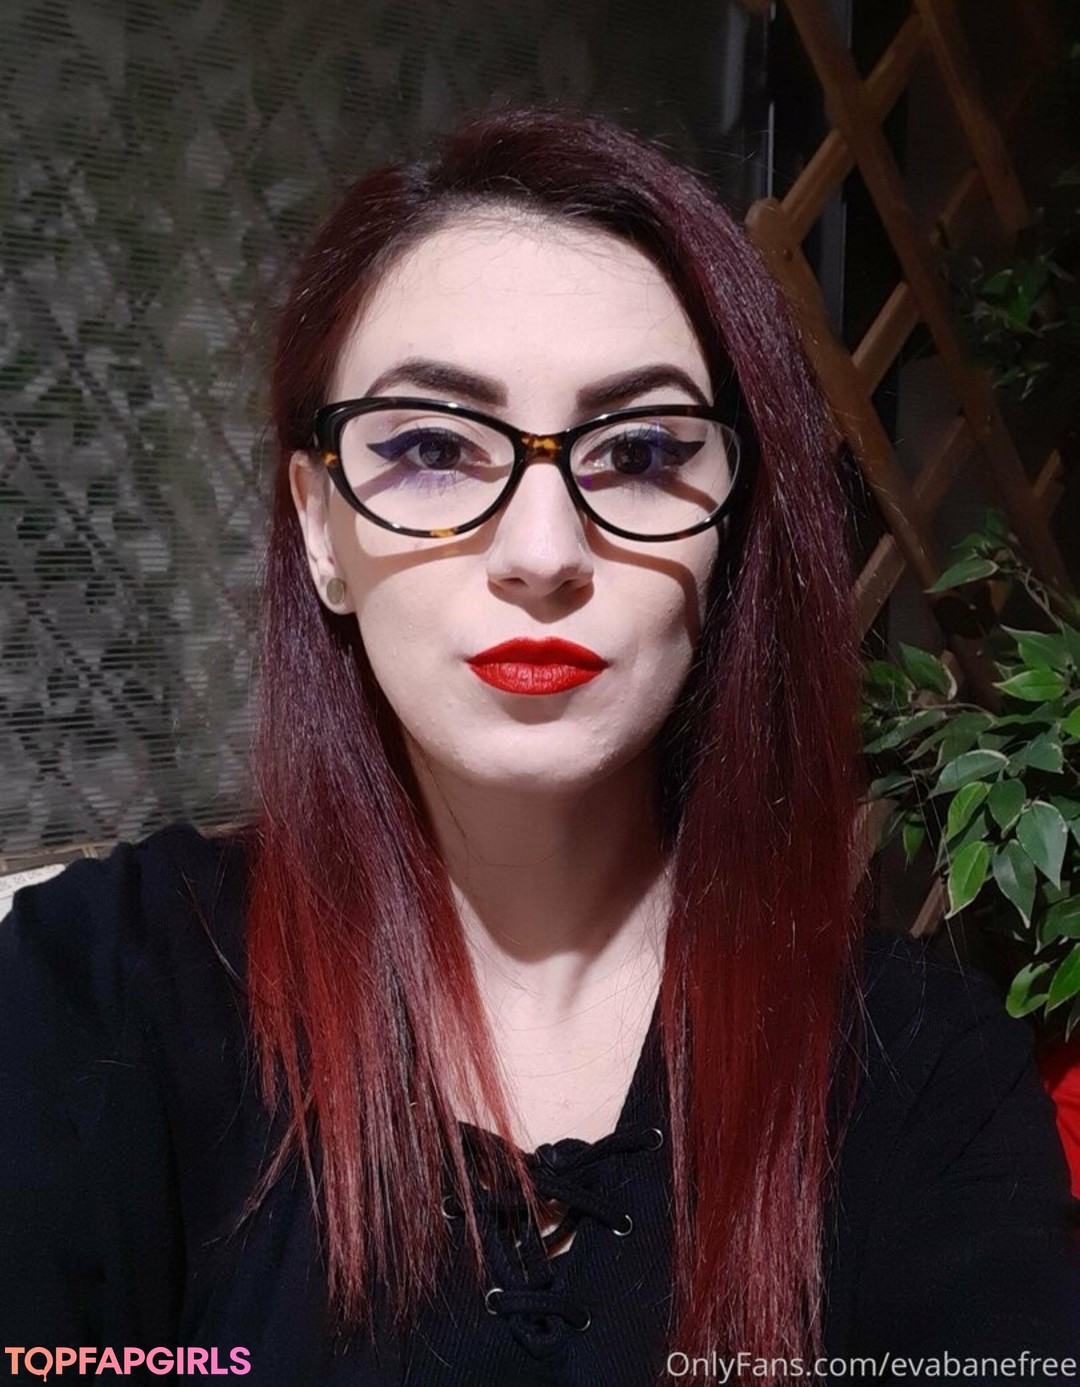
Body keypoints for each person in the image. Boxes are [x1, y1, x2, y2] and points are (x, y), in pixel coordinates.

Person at [1, 106, 1078, 1387]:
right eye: (430, 447)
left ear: (728, 534)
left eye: (641, 453)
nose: (543, 552)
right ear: (320, 529)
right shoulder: (96, 993)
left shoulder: (920, 1078)